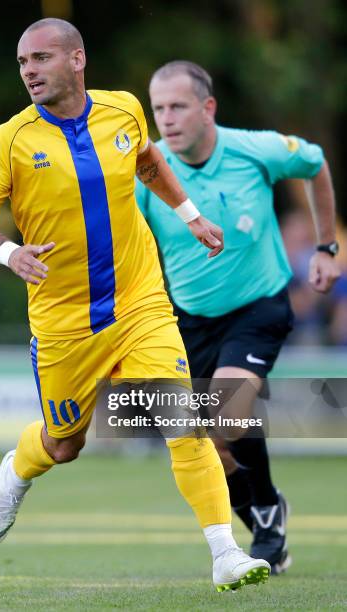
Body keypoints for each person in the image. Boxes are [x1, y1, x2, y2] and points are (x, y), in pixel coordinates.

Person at [0, 19, 271, 592]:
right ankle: (17, 469)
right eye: (22, 61)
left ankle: (225, 553)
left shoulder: (123, 110)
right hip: (64, 322)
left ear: (77, 60)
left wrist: (189, 214)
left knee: (183, 422)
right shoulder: (10, 139)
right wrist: (7, 252)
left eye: (41, 58)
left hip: (140, 302)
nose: (29, 70)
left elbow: (148, 161)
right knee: (65, 443)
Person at [136, 60, 340, 575]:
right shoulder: (147, 173)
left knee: (225, 413)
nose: (167, 119)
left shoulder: (254, 150)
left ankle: (266, 519)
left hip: (259, 306)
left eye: (178, 106)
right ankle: (266, 516)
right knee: (204, 444)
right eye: (158, 109)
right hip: (187, 321)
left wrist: (326, 246)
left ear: (208, 108)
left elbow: (314, 165)